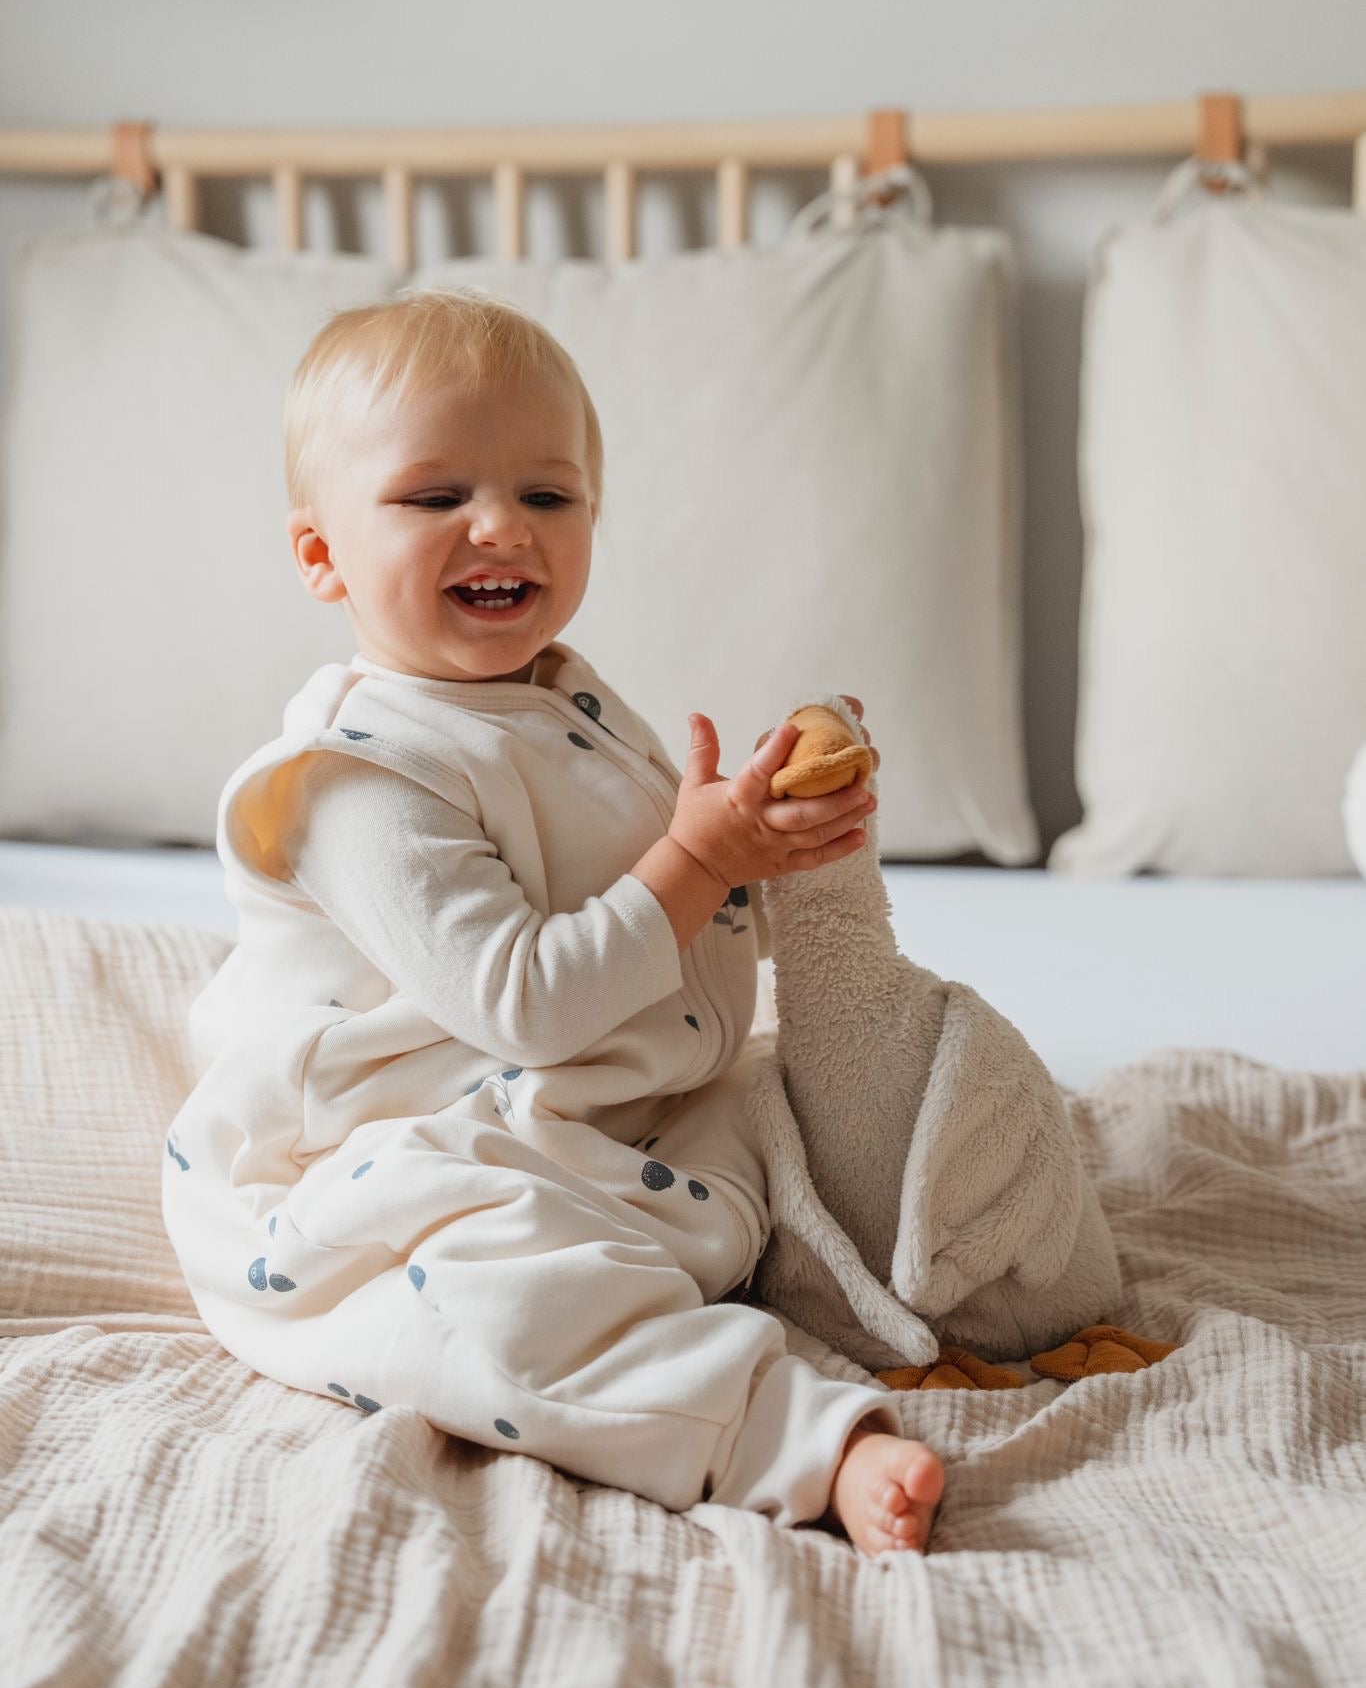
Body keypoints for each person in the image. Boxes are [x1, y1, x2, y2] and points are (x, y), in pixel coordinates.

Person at [161, 286, 944, 1559]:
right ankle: (797, 1440)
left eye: (546, 494)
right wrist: (699, 855)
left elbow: (639, 897)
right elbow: (522, 1002)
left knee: (844, 1123)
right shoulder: (357, 780)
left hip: (609, 1099)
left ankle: (928, 1277)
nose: (498, 526)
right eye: (433, 496)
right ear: (321, 555)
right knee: (500, 1302)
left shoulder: (557, 695)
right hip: (411, 1146)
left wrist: (750, 828)